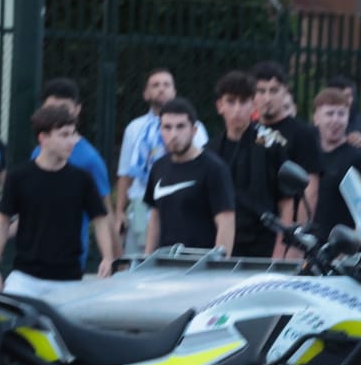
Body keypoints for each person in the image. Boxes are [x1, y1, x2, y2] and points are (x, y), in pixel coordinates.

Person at [0, 103, 114, 296]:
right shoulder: (19, 177)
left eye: (73, 134)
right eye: (64, 135)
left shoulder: (82, 179)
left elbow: (100, 218)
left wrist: (107, 257)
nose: (72, 141)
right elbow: (3, 221)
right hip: (24, 279)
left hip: (69, 280)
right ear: (43, 138)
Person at [114, 68, 208, 255]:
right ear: (145, 93)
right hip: (142, 204)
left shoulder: (196, 128)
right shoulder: (135, 128)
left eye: (166, 85)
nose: (161, 89)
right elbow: (125, 173)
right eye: (155, 85)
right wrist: (119, 212)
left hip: (181, 201)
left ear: (174, 91)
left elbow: (202, 165)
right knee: (139, 264)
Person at [211, 70, 291, 259]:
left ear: (253, 105)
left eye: (244, 102)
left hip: (263, 245)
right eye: (231, 102)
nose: (237, 110)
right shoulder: (210, 150)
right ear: (220, 106)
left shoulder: (272, 145)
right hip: (220, 243)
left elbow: (286, 202)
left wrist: (279, 252)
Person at [144, 98, 235, 255]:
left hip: (200, 268)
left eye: (180, 127)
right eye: (167, 127)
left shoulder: (214, 168)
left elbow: (226, 222)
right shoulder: (158, 167)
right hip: (163, 265)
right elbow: (155, 217)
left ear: (194, 130)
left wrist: (219, 268)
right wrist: (146, 259)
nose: (173, 134)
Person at [36, 78, 112, 265]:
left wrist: (112, 258)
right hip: (34, 255)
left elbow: (105, 212)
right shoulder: (37, 153)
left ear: (77, 110)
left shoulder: (90, 160)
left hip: (69, 258)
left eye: (63, 108)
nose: (56, 115)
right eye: (50, 109)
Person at [253, 62, 321, 221]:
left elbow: (310, 188)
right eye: (261, 91)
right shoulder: (249, 132)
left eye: (274, 90)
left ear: (285, 92)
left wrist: (296, 234)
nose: (267, 98)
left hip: (286, 222)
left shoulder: (302, 133)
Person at [311, 87, 361, 236]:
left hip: (342, 245)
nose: (335, 120)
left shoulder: (359, 159)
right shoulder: (308, 154)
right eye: (329, 114)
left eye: (341, 114)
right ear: (316, 118)